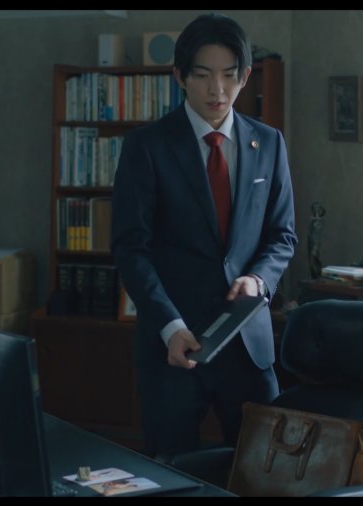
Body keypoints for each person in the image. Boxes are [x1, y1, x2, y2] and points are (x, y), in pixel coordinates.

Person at [110, 13, 297, 461]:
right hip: (174, 346)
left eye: (230, 76)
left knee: (264, 472)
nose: (218, 90)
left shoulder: (269, 143)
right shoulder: (147, 146)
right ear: (180, 76)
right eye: (203, 75)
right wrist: (170, 326)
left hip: (247, 345)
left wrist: (258, 281)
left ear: (245, 76)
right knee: (171, 473)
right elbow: (131, 249)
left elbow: (282, 235)